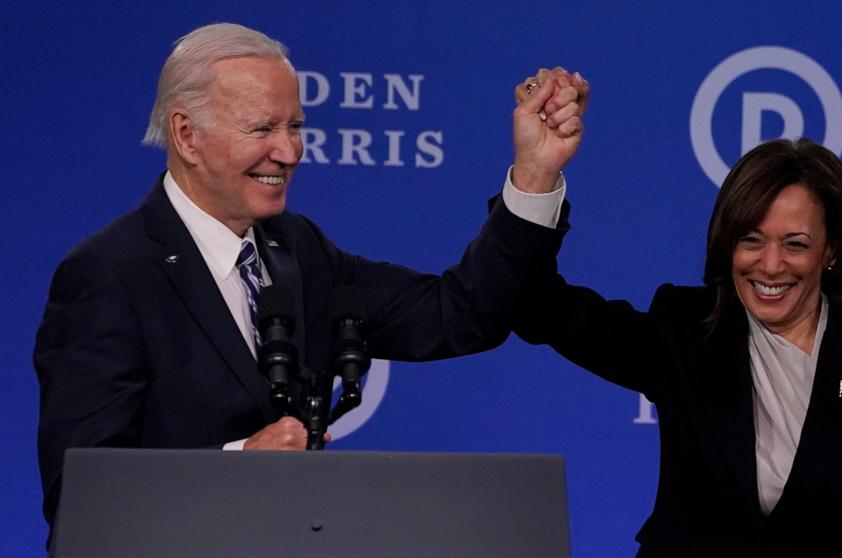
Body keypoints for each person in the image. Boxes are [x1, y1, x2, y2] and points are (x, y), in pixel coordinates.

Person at [33, 22, 588, 532]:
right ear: (187, 135)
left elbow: (459, 314)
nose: (290, 150)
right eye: (263, 128)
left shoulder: (298, 250)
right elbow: (82, 498)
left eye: (295, 125)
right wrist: (234, 467)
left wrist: (535, 175)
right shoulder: (110, 276)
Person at [511, 136, 842, 556]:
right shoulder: (684, 330)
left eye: (796, 244)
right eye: (751, 239)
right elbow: (532, 301)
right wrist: (538, 172)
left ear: (833, 249)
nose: (771, 265)